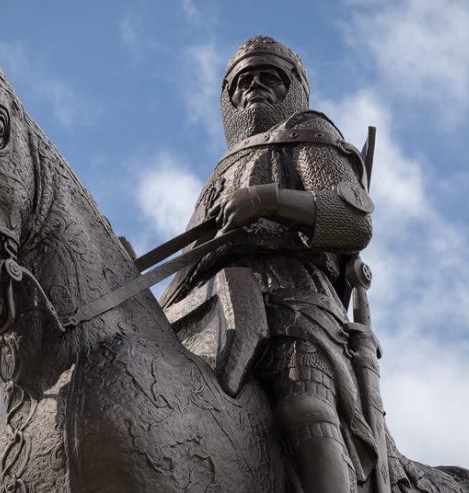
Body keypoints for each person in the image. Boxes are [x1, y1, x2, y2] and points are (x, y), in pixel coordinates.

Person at [161, 36, 381, 493]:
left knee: (306, 407)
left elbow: (352, 222)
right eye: (243, 81)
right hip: (214, 305)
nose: (254, 86)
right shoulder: (221, 172)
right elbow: (190, 267)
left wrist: (267, 199)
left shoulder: (307, 133)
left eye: (269, 77)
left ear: (293, 87)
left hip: (293, 301)